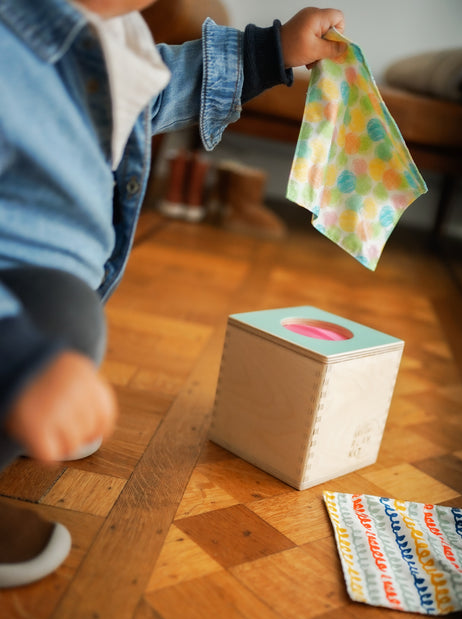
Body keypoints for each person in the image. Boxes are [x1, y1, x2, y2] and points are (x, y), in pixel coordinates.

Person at [0, 0, 346, 587]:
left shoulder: (116, 34)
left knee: (67, 332)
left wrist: (274, 51)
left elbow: (162, 89)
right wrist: (17, 356)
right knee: (59, 326)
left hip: (51, 273)